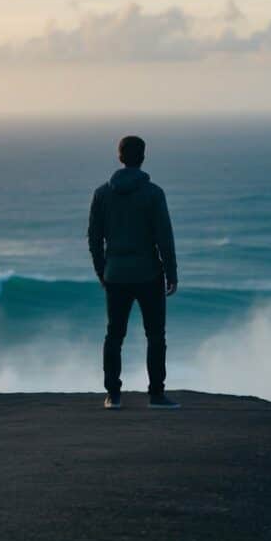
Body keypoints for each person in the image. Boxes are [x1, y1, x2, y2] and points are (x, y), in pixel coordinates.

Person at [88, 135, 179, 410]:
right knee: (155, 335)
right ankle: (156, 395)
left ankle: (113, 395)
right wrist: (172, 273)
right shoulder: (154, 193)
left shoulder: (102, 193)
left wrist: (102, 271)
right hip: (149, 274)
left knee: (114, 335)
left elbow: (94, 238)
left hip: (115, 275)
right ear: (143, 157)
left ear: (120, 157)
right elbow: (164, 237)